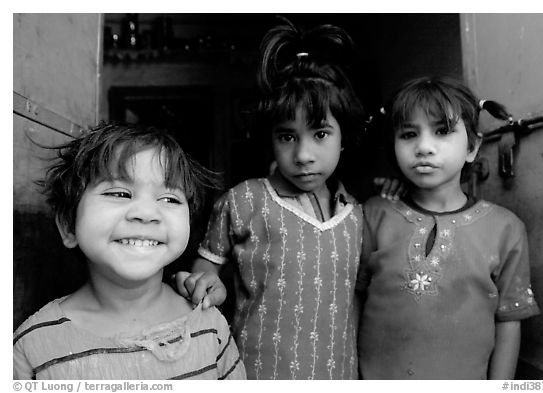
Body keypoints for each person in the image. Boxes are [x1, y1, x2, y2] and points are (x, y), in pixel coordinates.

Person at [175, 19, 366, 380]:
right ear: (270, 139)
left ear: (344, 137)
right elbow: (205, 275)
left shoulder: (355, 214)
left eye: (320, 133)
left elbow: (354, 301)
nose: (304, 154)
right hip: (254, 372)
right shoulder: (243, 201)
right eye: (287, 136)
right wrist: (201, 285)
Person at [13, 123, 246, 380]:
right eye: (120, 193)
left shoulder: (208, 322)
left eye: (170, 199)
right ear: (69, 225)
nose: (146, 214)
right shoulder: (32, 346)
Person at [356, 76, 540, 380]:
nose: (424, 147)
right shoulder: (373, 214)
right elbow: (355, 301)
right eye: (409, 134)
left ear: (473, 146)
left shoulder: (506, 229)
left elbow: (508, 320)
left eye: (442, 131)